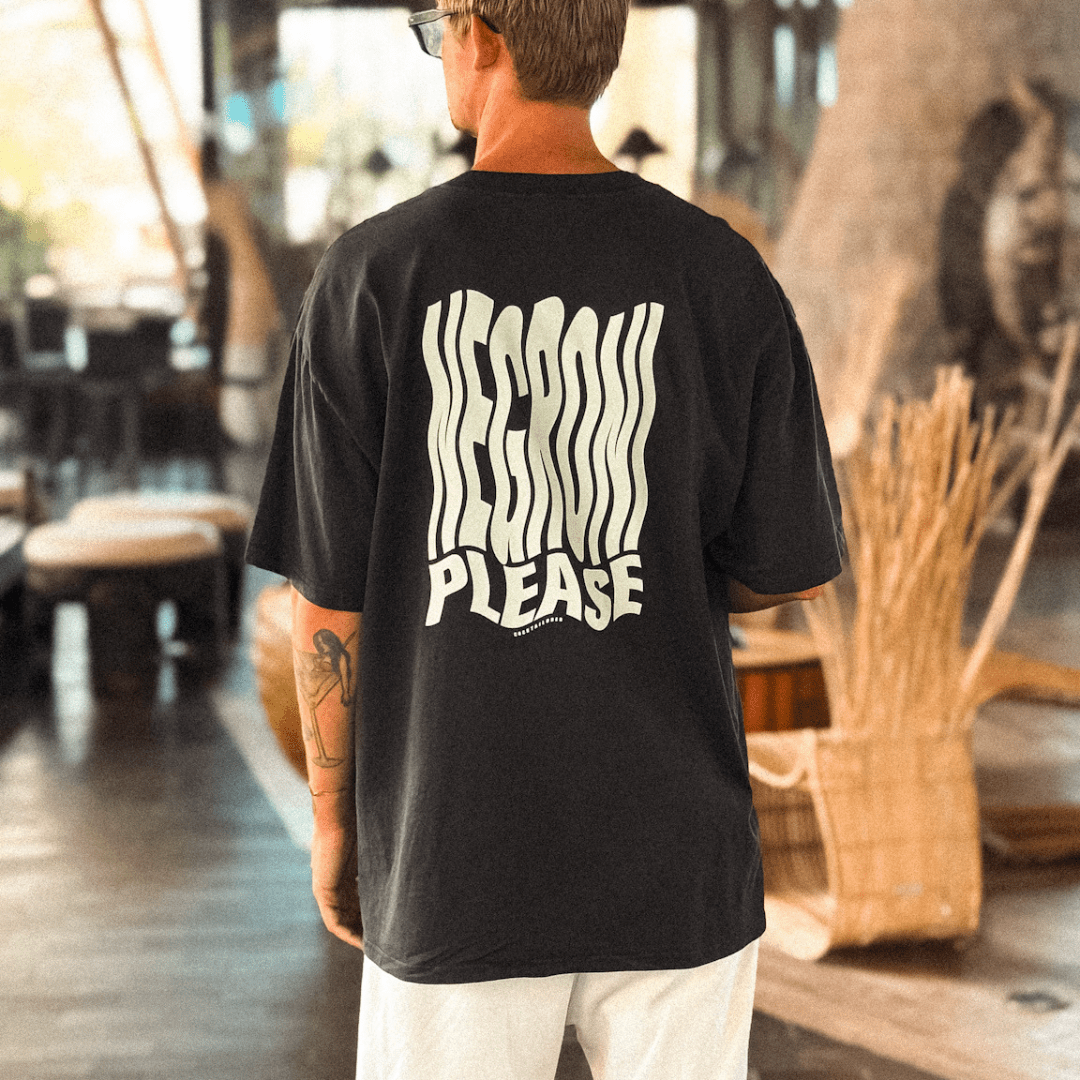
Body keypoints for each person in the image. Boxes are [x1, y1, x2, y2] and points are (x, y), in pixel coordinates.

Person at [246, 2, 845, 1077]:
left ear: (479, 32)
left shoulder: (370, 275)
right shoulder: (722, 273)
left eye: (435, 28)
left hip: (452, 852)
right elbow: (777, 577)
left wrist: (335, 823)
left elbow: (330, 599)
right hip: (676, 860)